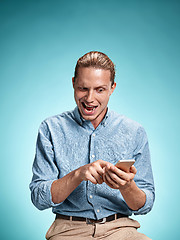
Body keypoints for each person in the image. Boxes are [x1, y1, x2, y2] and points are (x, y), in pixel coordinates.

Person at [29, 51, 155, 240]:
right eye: (83, 88)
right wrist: (78, 174)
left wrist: (127, 186)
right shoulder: (50, 128)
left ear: (112, 88)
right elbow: (39, 198)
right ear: (73, 83)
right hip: (68, 230)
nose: (89, 98)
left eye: (100, 90)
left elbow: (145, 204)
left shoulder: (134, 131)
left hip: (120, 230)